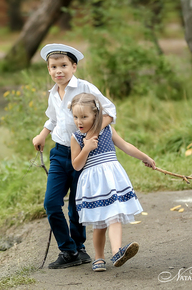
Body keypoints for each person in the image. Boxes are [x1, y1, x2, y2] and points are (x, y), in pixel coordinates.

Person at [32, 43, 117, 269]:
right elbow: (53, 119)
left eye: (63, 66)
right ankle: (68, 250)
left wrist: (92, 134)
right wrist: (42, 135)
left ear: (74, 67)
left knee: (77, 205)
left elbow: (109, 111)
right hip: (59, 153)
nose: (58, 71)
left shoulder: (85, 88)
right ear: (48, 70)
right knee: (51, 203)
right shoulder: (53, 93)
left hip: (82, 153)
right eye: (53, 67)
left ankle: (79, 249)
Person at [68, 93, 155, 272]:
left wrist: (145, 157)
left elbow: (126, 146)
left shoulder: (107, 130)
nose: (79, 121)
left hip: (112, 180)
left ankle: (117, 252)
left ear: (95, 115)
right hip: (94, 184)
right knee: (99, 224)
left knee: (114, 215)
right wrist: (86, 149)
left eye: (84, 117)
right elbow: (76, 166)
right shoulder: (76, 138)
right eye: (76, 117)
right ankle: (98, 258)